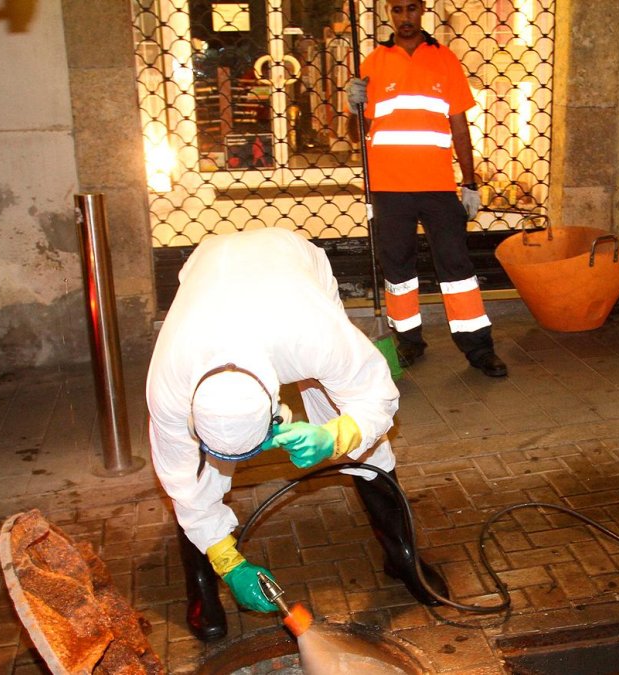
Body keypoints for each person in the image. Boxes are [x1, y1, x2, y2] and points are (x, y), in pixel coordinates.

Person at [147, 228, 449, 642]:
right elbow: (182, 476)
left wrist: (338, 435)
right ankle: (202, 583)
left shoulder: (314, 337)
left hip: (289, 263)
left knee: (350, 423)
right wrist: (228, 561)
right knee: (194, 477)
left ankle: (402, 555)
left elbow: (375, 395)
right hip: (209, 265)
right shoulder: (168, 385)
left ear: (278, 413)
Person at [344, 0, 507, 378]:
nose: (405, 17)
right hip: (388, 188)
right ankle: (408, 342)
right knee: (398, 270)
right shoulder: (373, 63)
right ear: (389, 13)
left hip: (437, 187)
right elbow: (357, 135)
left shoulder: (445, 60)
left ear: (422, 11)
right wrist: (353, 107)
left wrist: (470, 183)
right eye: (398, 10)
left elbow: (460, 127)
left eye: (412, 9)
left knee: (457, 267)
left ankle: (479, 349)